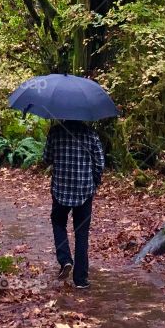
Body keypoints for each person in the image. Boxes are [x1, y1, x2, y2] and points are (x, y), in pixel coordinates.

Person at [42, 119, 105, 289]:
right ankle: (81, 279)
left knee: (58, 223)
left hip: (60, 189)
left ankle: (65, 260)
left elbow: (46, 158)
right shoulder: (91, 134)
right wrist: (95, 182)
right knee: (81, 233)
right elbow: (99, 163)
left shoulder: (55, 132)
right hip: (84, 190)